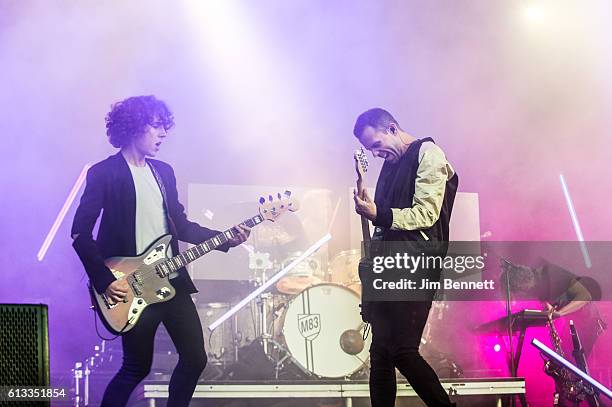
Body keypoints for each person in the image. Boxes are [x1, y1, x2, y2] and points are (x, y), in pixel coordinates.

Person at [71, 95, 250, 407]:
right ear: (133, 128)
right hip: (128, 285)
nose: (163, 134)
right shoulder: (103, 173)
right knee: (135, 368)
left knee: (195, 358)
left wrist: (226, 238)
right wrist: (104, 280)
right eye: (156, 126)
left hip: (171, 280)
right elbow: (79, 233)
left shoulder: (164, 172)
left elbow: (181, 224)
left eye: (164, 127)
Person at [353, 108, 458, 407]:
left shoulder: (429, 153)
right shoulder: (390, 164)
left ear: (392, 128)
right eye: (370, 150)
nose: (375, 154)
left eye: (376, 145)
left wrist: (379, 214)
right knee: (380, 355)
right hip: (389, 265)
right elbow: (384, 222)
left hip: (417, 263)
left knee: (402, 350)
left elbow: (426, 214)